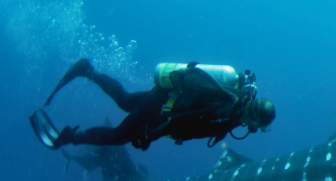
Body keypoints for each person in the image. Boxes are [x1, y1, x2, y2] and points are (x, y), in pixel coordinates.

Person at [30, 59, 276, 151]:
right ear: (254, 121)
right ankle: (66, 137)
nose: (254, 129)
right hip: (161, 108)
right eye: (257, 125)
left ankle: (88, 71)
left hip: (164, 97)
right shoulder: (224, 112)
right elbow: (178, 121)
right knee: (117, 137)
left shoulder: (232, 105)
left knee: (126, 100)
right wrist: (150, 135)